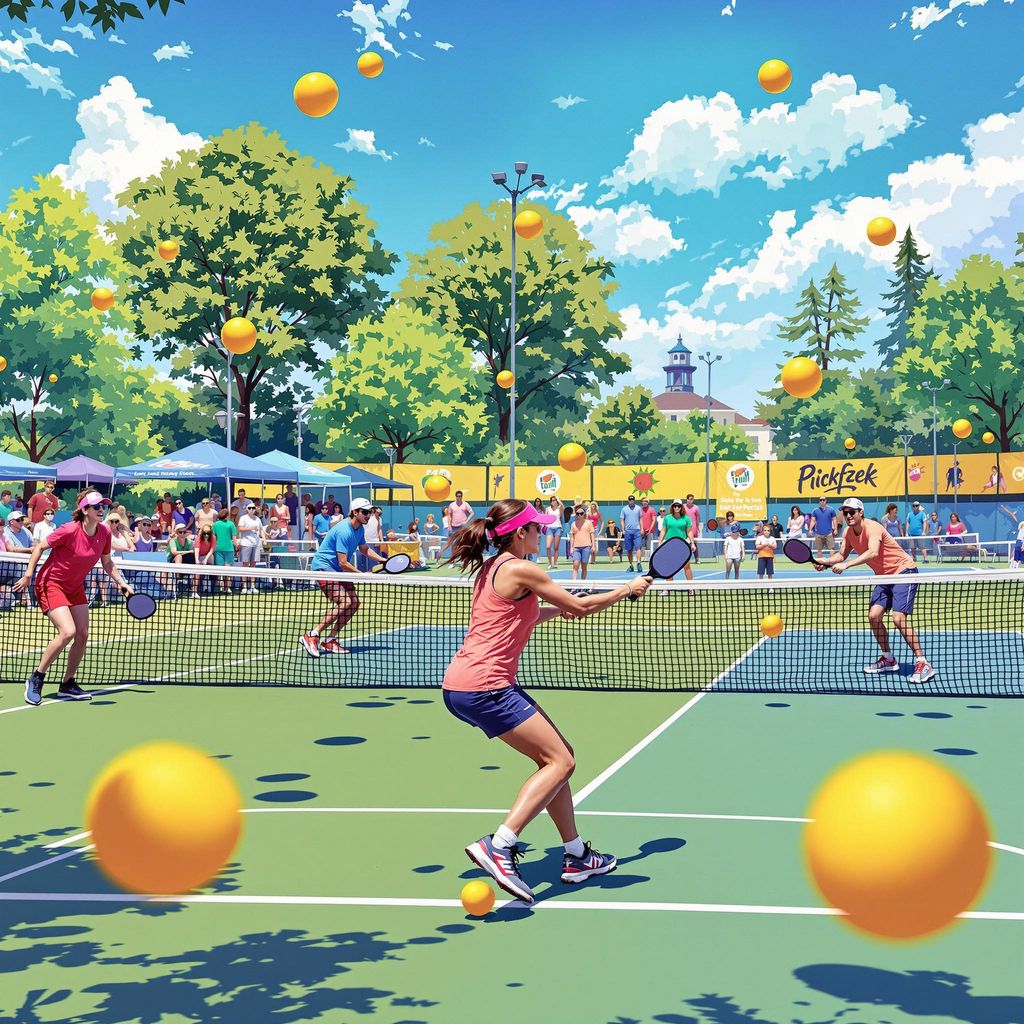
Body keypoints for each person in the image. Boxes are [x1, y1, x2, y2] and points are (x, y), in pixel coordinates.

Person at [443, 498, 652, 904]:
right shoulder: (522, 567)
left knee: (556, 759)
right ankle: (499, 845)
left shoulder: (494, 568)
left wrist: (556, 610)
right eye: (537, 528)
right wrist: (627, 588)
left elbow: (518, 616)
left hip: (465, 685)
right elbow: (579, 606)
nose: (543, 532)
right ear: (520, 533)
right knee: (562, 762)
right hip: (487, 686)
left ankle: (575, 855)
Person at [15, 489, 134, 704]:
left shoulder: (104, 533)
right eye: (97, 507)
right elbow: (40, 546)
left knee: (83, 634)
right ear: (84, 510)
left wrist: (122, 583)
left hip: (75, 586)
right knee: (68, 631)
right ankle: (37, 678)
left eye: (103, 506)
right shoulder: (69, 530)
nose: (101, 510)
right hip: (51, 584)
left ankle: (68, 683)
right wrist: (28, 574)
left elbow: (107, 563)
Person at [816, 497, 934, 683]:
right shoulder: (848, 532)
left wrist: (847, 566)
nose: (848, 515)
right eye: (845, 512)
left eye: (851, 512)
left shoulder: (873, 527)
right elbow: (840, 555)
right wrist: (824, 562)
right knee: (873, 616)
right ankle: (888, 659)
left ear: (860, 512)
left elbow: (873, 552)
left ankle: (923, 662)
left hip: (904, 571)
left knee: (898, 618)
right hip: (884, 577)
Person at [300, 497, 386, 657]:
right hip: (323, 566)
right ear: (355, 512)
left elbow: (364, 549)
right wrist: (362, 575)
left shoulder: (359, 529)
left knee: (354, 603)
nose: (369, 515)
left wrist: (384, 560)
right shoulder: (344, 531)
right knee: (345, 601)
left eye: (370, 512)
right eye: (366, 512)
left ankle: (330, 639)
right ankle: (312, 634)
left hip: (337, 569)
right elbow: (344, 562)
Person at [656, 500, 695, 596]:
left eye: (678, 506)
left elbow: (689, 532)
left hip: (683, 545)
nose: (677, 507)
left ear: (681, 507)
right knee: (669, 567)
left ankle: (691, 588)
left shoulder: (686, 518)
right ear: (672, 507)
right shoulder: (667, 518)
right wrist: (659, 543)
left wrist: (693, 543)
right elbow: (663, 531)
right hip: (669, 545)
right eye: (675, 506)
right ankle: (668, 589)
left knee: (687, 566)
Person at [236, 502, 264, 593]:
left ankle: (252, 586)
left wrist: (264, 539)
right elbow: (240, 529)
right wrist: (250, 528)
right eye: (250, 508)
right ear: (247, 509)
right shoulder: (243, 518)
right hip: (246, 544)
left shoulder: (258, 519)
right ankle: (244, 586)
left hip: (256, 544)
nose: (252, 509)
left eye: (253, 508)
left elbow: (261, 530)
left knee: (253, 566)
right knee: (245, 565)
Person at [167, 523, 200, 596]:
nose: (182, 534)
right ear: (176, 533)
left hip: (186, 562)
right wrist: (188, 551)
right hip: (172, 562)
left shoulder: (189, 542)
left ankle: (194, 591)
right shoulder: (173, 541)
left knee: (197, 564)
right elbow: (174, 552)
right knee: (179, 556)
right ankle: (179, 581)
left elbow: (192, 553)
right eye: (180, 532)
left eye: (184, 532)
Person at [211, 508, 239, 595]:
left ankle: (221, 587)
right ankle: (228, 588)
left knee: (220, 569)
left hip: (218, 549)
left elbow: (213, 538)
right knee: (228, 569)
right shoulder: (231, 524)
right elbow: (234, 538)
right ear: (227, 515)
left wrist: (213, 547)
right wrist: (236, 547)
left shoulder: (215, 524)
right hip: (229, 549)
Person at [569, 505, 595, 583]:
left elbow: (592, 535)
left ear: (584, 514)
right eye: (577, 513)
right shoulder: (573, 524)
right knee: (575, 565)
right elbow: (572, 537)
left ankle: (583, 584)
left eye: (581, 513)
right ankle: (574, 585)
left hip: (586, 547)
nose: (579, 515)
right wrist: (571, 547)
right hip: (576, 547)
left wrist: (593, 545)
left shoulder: (589, 523)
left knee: (584, 567)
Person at [619, 495, 644, 573]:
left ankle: (639, 563)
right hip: (628, 531)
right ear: (628, 500)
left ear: (634, 500)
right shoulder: (624, 509)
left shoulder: (638, 508)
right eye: (630, 500)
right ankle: (631, 565)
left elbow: (640, 518)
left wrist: (642, 528)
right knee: (629, 549)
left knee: (638, 548)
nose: (631, 501)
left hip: (637, 531)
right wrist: (623, 529)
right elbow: (622, 519)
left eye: (632, 500)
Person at [545, 496, 564, 569]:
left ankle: (555, 563)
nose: (553, 502)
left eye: (554, 500)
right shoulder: (548, 509)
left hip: (558, 528)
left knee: (556, 547)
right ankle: (550, 562)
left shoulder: (559, 509)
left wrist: (558, 499)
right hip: (550, 528)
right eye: (552, 500)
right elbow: (545, 518)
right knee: (548, 546)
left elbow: (562, 506)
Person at [639, 498, 657, 564]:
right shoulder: (639, 510)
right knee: (640, 545)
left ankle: (648, 559)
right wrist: (641, 529)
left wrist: (650, 529)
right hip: (641, 531)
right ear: (641, 502)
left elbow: (654, 520)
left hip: (649, 532)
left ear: (648, 502)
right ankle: (641, 558)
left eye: (646, 501)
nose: (645, 502)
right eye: (643, 501)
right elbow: (638, 520)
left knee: (648, 546)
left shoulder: (652, 510)